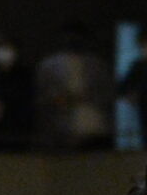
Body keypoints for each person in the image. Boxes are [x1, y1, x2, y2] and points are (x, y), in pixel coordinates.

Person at [36, 23, 113, 151]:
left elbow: (106, 91)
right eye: (68, 36)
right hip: (61, 123)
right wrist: (57, 99)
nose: (72, 40)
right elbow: (42, 94)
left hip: (93, 122)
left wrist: (86, 98)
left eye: (76, 36)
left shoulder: (97, 65)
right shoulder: (48, 65)